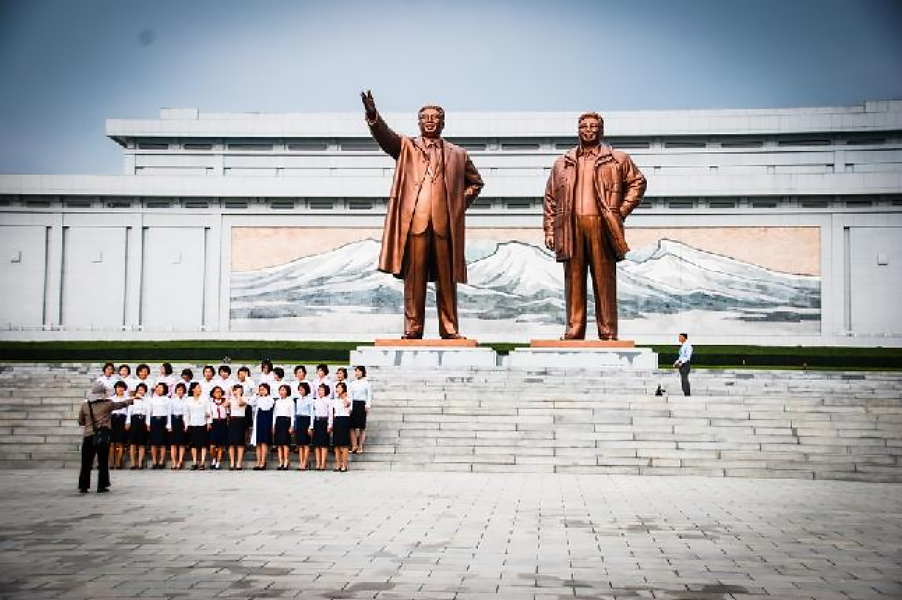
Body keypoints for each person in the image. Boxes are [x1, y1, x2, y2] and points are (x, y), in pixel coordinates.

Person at [361, 90, 484, 339]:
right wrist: (373, 115)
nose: (429, 121)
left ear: (443, 123)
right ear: (418, 122)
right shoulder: (407, 147)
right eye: (424, 118)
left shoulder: (458, 154)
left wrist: (456, 205)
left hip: (444, 226)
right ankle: (413, 328)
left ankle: (449, 329)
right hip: (415, 223)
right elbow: (385, 137)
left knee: (446, 280)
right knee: (414, 279)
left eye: (434, 118)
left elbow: (476, 183)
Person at [543, 112, 646, 340]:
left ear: (601, 130)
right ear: (578, 130)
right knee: (573, 281)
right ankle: (574, 330)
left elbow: (638, 182)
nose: (588, 130)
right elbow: (550, 198)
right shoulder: (562, 163)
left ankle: (608, 331)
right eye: (584, 126)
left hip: (602, 227)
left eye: (593, 126)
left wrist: (621, 211)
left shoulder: (617, 159)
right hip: (570, 228)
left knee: (604, 280)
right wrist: (550, 230)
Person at [77, 380, 133, 493]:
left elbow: (80, 421)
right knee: (103, 461)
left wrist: (89, 424)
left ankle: (83, 486)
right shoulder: (108, 404)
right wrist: (131, 400)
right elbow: (121, 404)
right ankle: (102, 485)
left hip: (88, 435)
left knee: (86, 462)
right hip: (103, 435)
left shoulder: (85, 405)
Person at [185, 381, 210, 470]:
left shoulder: (204, 399)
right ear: (193, 389)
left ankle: (202, 463)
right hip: (192, 424)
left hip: (203, 423)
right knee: (193, 445)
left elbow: (208, 412)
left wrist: (209, 423)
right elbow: (186, 413)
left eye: (200, 387)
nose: (200, 389)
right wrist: (186, 424)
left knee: (203, 444)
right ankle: (194, 462)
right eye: (198, 387)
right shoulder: (188, 400)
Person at [251, 382, 275, 470]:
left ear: (267, 390)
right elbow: (251, 402)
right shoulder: (258, 398)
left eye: (263, 389)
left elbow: (266, 407)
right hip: (258, 420)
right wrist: (256, 394)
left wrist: (263, 397)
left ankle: (263, 462)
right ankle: (258, 461)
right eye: (260, 389)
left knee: (264, 442)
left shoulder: (270, 399)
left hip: (266, 420)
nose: (261, 391)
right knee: (258, 442)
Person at [126, 382, 150, 469]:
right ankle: (133, 463)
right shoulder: (133, 399)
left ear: (145, 391)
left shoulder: (147, 400)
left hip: (143, 421)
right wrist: (128, 422)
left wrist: (148, 424)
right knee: (133, 443)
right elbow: (129, 412)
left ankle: (140, 463)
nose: (141, 391)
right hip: (134, 420)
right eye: (139, 390)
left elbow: (148, 412)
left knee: (141, 443)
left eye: (142, 390)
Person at [349, 366, 372, 454]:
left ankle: (360, 446)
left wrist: (367, 405)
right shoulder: (352, 383)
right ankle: (354, 445)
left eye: (359, 371)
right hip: (354, 404)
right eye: (356, 371)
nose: (357, 373)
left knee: (362, 427)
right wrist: (350, 407)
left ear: (363, 372)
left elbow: (369, 395)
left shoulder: (367, 383)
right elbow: (350, 396)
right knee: (352, 427)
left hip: (362, 405)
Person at [147, 382, 171, 469]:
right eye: (157, 387)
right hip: (154, 420)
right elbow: (149, 412)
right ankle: (154, 461)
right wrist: (148, 423)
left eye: (161, 387)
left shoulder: (167, 399)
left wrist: (169, 424)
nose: (158, 389)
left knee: (162, 443)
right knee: (153, 443)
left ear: (164, 389)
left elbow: (169, 412)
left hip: (163, 420)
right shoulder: (152, 399)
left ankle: (161, 461)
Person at [310, 383, 333, 471]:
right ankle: (318, 463)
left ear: (326, 391)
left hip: (324, 422)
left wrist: (329, 424)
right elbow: (312, 413)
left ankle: (323, 463)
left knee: (323, 444)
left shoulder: (328, 401)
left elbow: (330, 414)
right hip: (317, 421)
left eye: (322, 390)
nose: (320, 392)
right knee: (316, 445)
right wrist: (311, 425)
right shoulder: (315, 401)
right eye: (319, 390)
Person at [109, 380, 130, 469]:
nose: (120, 389)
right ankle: (111, 463)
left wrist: (127, 422)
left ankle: (118, 463)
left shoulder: (127, 399)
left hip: (122, 419)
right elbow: (108, 411)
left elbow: (129, 411)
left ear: (124, 389)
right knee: (111, 443)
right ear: (115, 389)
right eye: (118, 387)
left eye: (122, 387)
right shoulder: (111, 399)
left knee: (120, 443)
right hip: (113, 420)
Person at [331, 382, 352, 472]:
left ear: (344, 389)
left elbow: (347, 406)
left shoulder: (348, 399)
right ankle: (338, 464)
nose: (337, 389)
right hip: (337, 420)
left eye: (339, 388)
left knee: (344, 444)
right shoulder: (335, 400)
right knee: (336, 445)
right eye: (337, 388)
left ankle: (344, 465)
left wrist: (344, 397)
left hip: (344, 419)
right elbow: (333, 411)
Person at [273, 384, 295, 470]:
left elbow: (292, 414)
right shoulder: (277, 401)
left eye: (283, 390)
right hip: (278, 421)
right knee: (279, 444)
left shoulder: (290, 401)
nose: (281, 392)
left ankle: (286, 461)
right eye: (280, 390)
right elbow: (275, 414)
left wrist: (292, 426)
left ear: (287, 391)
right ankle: (280, 462)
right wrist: (273, 425)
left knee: (285, 444)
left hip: (286, 421)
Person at [168, 382, 188, 469]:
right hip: (174, 420)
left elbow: (187, 413)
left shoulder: (186, 400)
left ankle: (180, 461)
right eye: (178, 390)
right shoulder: (172, 401)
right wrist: (169, 425)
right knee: (173, 444)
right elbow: (169, 413)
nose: (180, 391)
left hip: (182, 421)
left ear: (184, 391)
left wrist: (186, 424)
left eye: (182, 390)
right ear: (176, 391)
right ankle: (174, 462)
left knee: (181, 443)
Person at [227, 383, 247, 470]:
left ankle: (239, 463)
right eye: (235, 390)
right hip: (232, 420)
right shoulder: (231, 399)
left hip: (240, 420)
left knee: (240, 443)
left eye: (239, 390)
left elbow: (240, 403)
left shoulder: (244, 398)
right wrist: (229, 394)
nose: (237, 391)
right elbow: (224, 405)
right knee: (231, 443)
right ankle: (232, 463)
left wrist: (238, 395)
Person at [294, 381, 313, 470]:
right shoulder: (297, 400)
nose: (300, 391)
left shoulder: (310, 400)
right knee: (300, 444)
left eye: (302, 389)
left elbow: (312, 413)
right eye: (299, 389)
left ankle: (305, 463)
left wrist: (311, 426)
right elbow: (296, 413)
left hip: (306, 420)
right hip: (299, 420)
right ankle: (301, 462)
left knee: (305, 444)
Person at [208, 386, 228, 470]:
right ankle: (213, 459)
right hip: (214, 423)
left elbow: (227, 413)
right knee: (212, 446)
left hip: (223, 423)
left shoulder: (225, 402)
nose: (218, 393)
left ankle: (218, 463)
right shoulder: (211, 403)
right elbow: (209, 413)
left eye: (220, 392)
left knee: (220, 445)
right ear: (213, 394)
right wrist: (209, 423)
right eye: (216, 392)